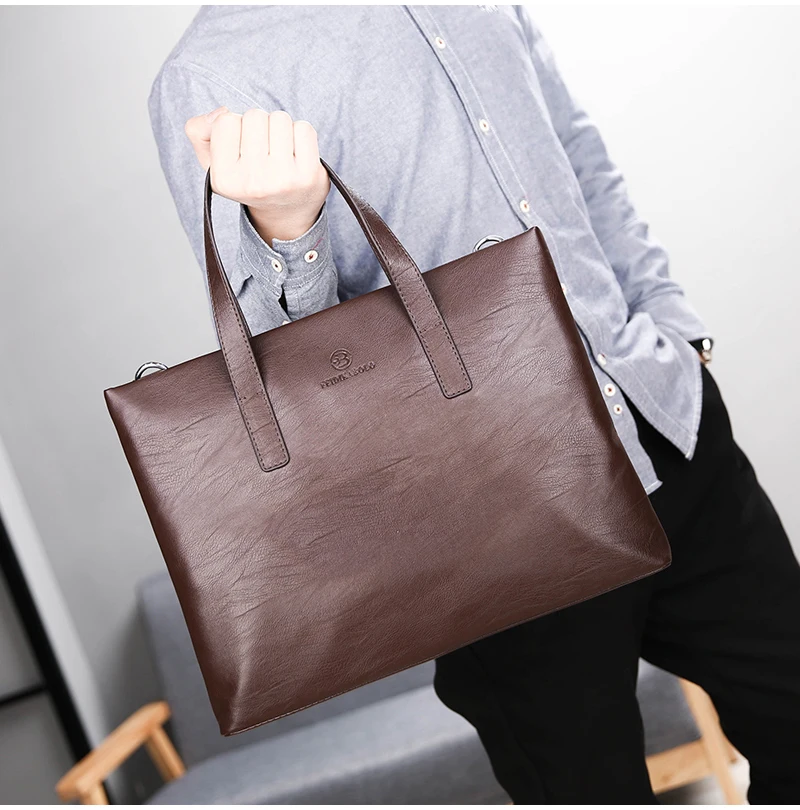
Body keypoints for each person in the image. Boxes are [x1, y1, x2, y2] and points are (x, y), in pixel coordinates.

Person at [149, 6, 800, 803]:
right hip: (498, 523)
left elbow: (577, 156)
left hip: (664, 422)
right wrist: (291, 227)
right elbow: (286, 380)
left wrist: (673, 323)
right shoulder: (212, 74)